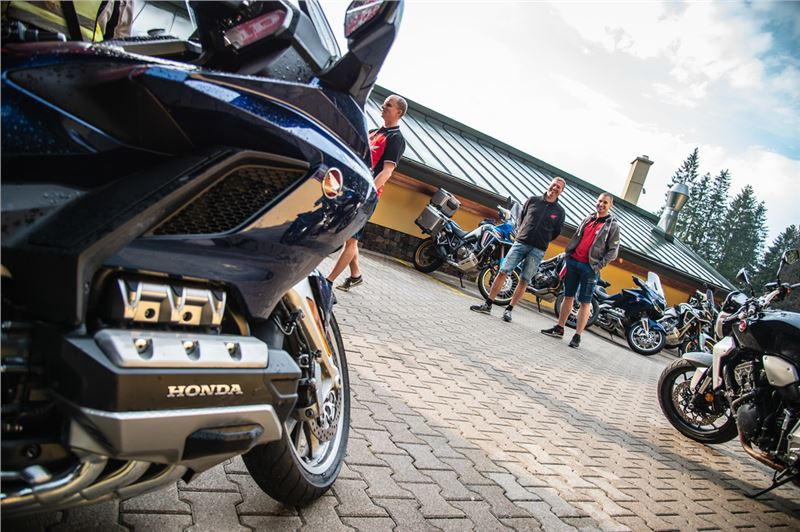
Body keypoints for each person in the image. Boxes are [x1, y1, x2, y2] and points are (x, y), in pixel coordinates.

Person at [327, 94, 407, 291]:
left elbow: (386, 172)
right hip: (352, 190)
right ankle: (356, 275)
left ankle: (328, 282)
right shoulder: (372, 133)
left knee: (351, 239)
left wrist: (367, 194)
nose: (383, 106)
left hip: (366, 196)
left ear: (399, 112)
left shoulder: (396, 139)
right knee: (350, 237)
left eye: (388, 105)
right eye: (384, 103)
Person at [470, 177, 566, 322]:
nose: (555, 188)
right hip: (521, 243)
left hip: (538, 249)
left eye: (558, 187)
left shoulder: (560, 211)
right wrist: (522, 233)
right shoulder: (533, 200)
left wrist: (543, 239)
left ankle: (509, 310)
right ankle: (488, 304)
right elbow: (521, 218)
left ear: (561, 191)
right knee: (503, 271)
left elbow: (556, 232)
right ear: (549, 185)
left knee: (524, 280)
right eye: (554, 185)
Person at [541, 192, 621, 348]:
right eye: (599, 201)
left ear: (610, 205)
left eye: (605, 202)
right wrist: (569, 255)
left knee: (585, 302)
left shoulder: (612, 225)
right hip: (573, 262)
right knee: (567, 296)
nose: (601, 204)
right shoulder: (589, 218)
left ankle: (577, 336)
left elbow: (613, 251)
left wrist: (598, 265)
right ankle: (559, 328)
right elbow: (578, 236)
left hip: (589, 268)